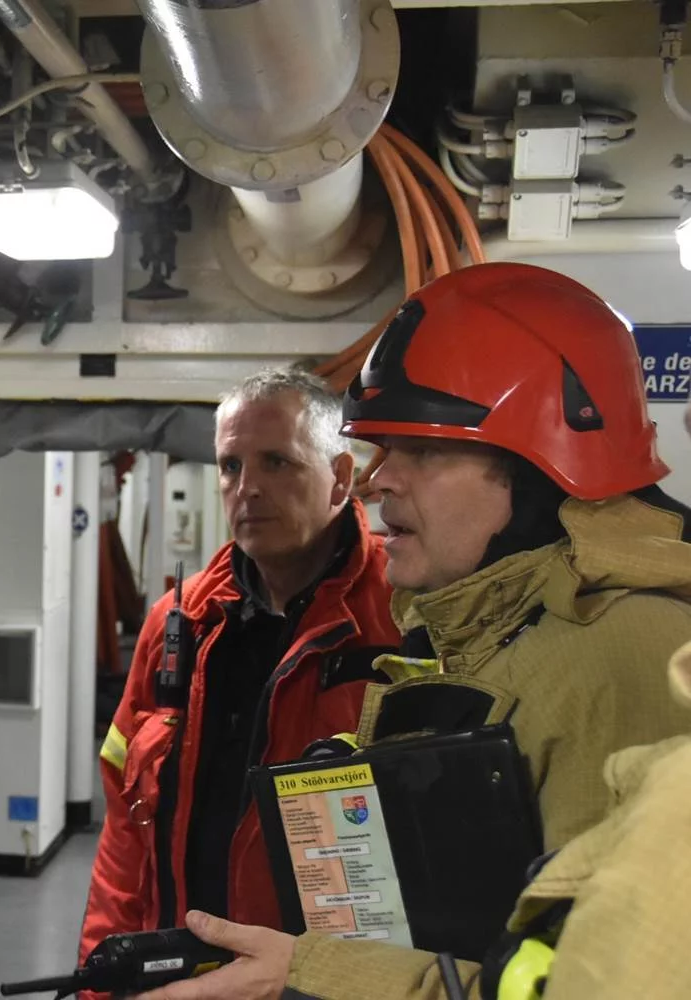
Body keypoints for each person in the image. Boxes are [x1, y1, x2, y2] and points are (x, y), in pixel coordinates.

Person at [135, 262, 691, 1000]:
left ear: (542, 468)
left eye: (422, 450)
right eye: (382, 448)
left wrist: (307, 972)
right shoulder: (479, 632)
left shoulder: (630, 653)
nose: (377, 479)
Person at [79, 370, 400, 977]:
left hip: (327, 980)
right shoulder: (177, 624)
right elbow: (125, 834)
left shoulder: (406, 610)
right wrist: (104, 977)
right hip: (183, 971)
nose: (247, 488)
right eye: (230, 466)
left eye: (277, 462)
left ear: (340, 478)